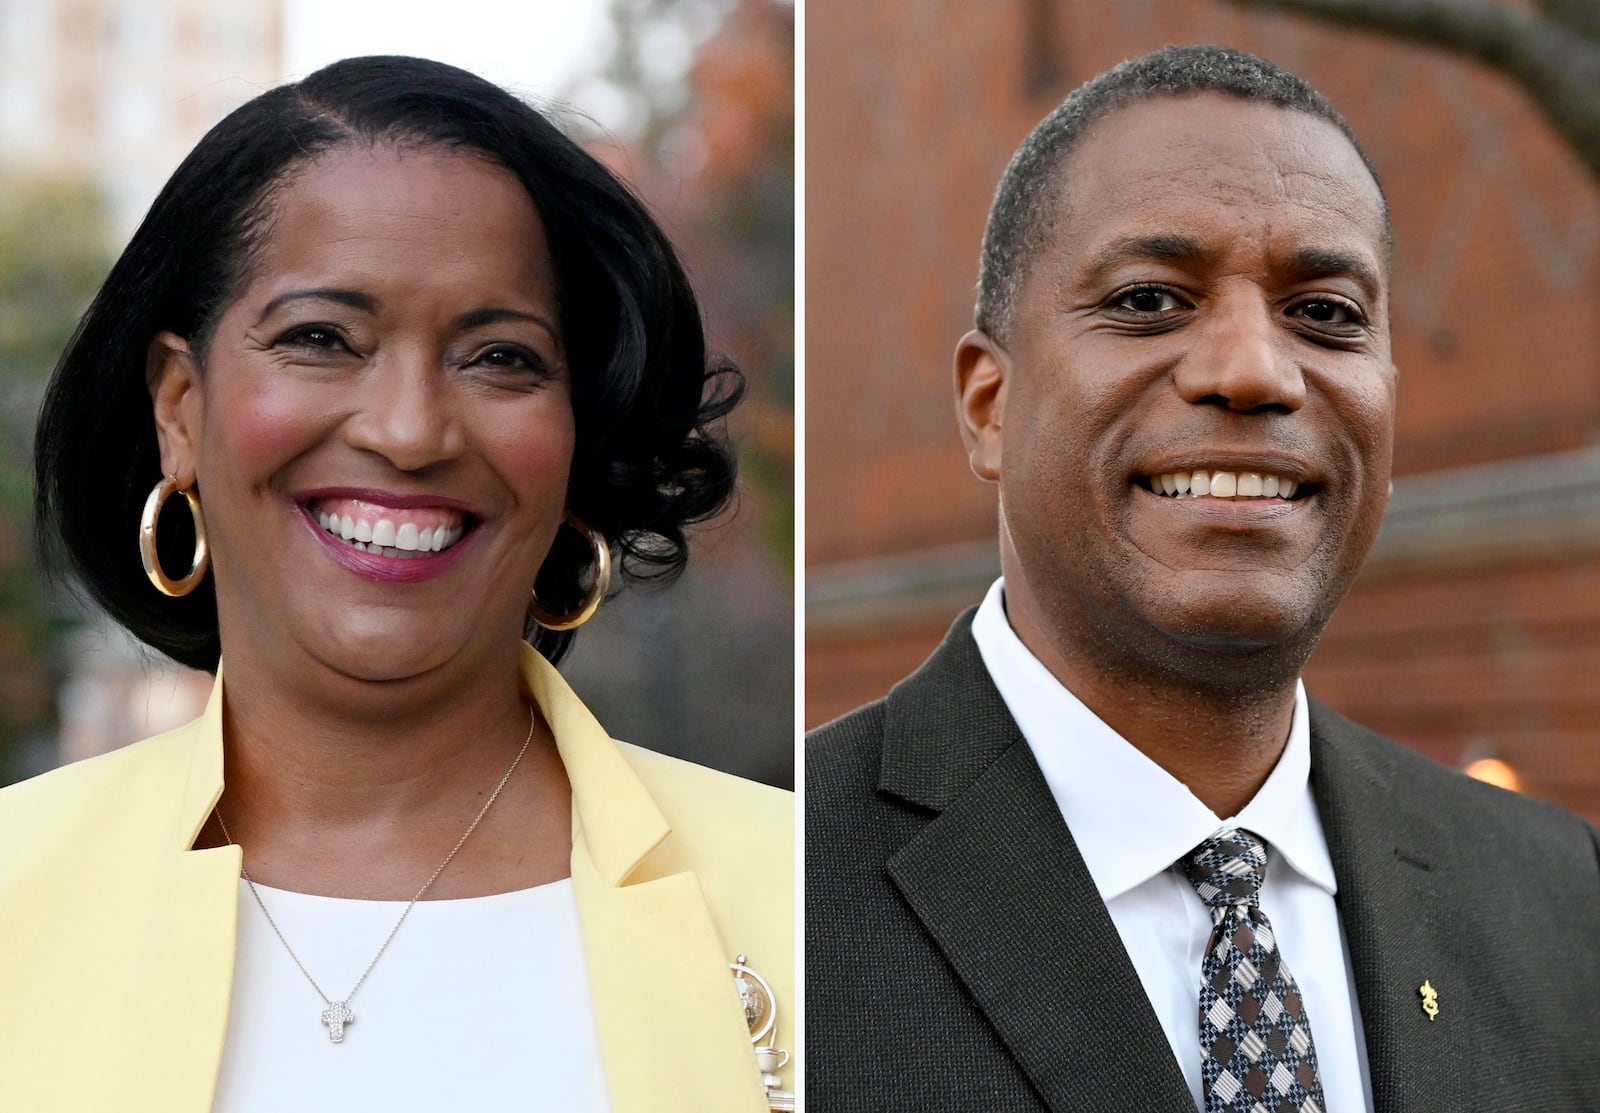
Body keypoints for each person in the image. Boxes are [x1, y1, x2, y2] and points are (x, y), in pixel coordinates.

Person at [806, 44, 1600, 1112]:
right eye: (1148, 300)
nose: (1251, 370)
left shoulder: (1554, 892)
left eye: (1324, 313)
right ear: (988, 404)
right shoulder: (772, 895)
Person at [0, 56, 792, 1113]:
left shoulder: (808, 893)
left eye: (501, 357)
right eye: (323, 339)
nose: (411, 431)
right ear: (180, 410)